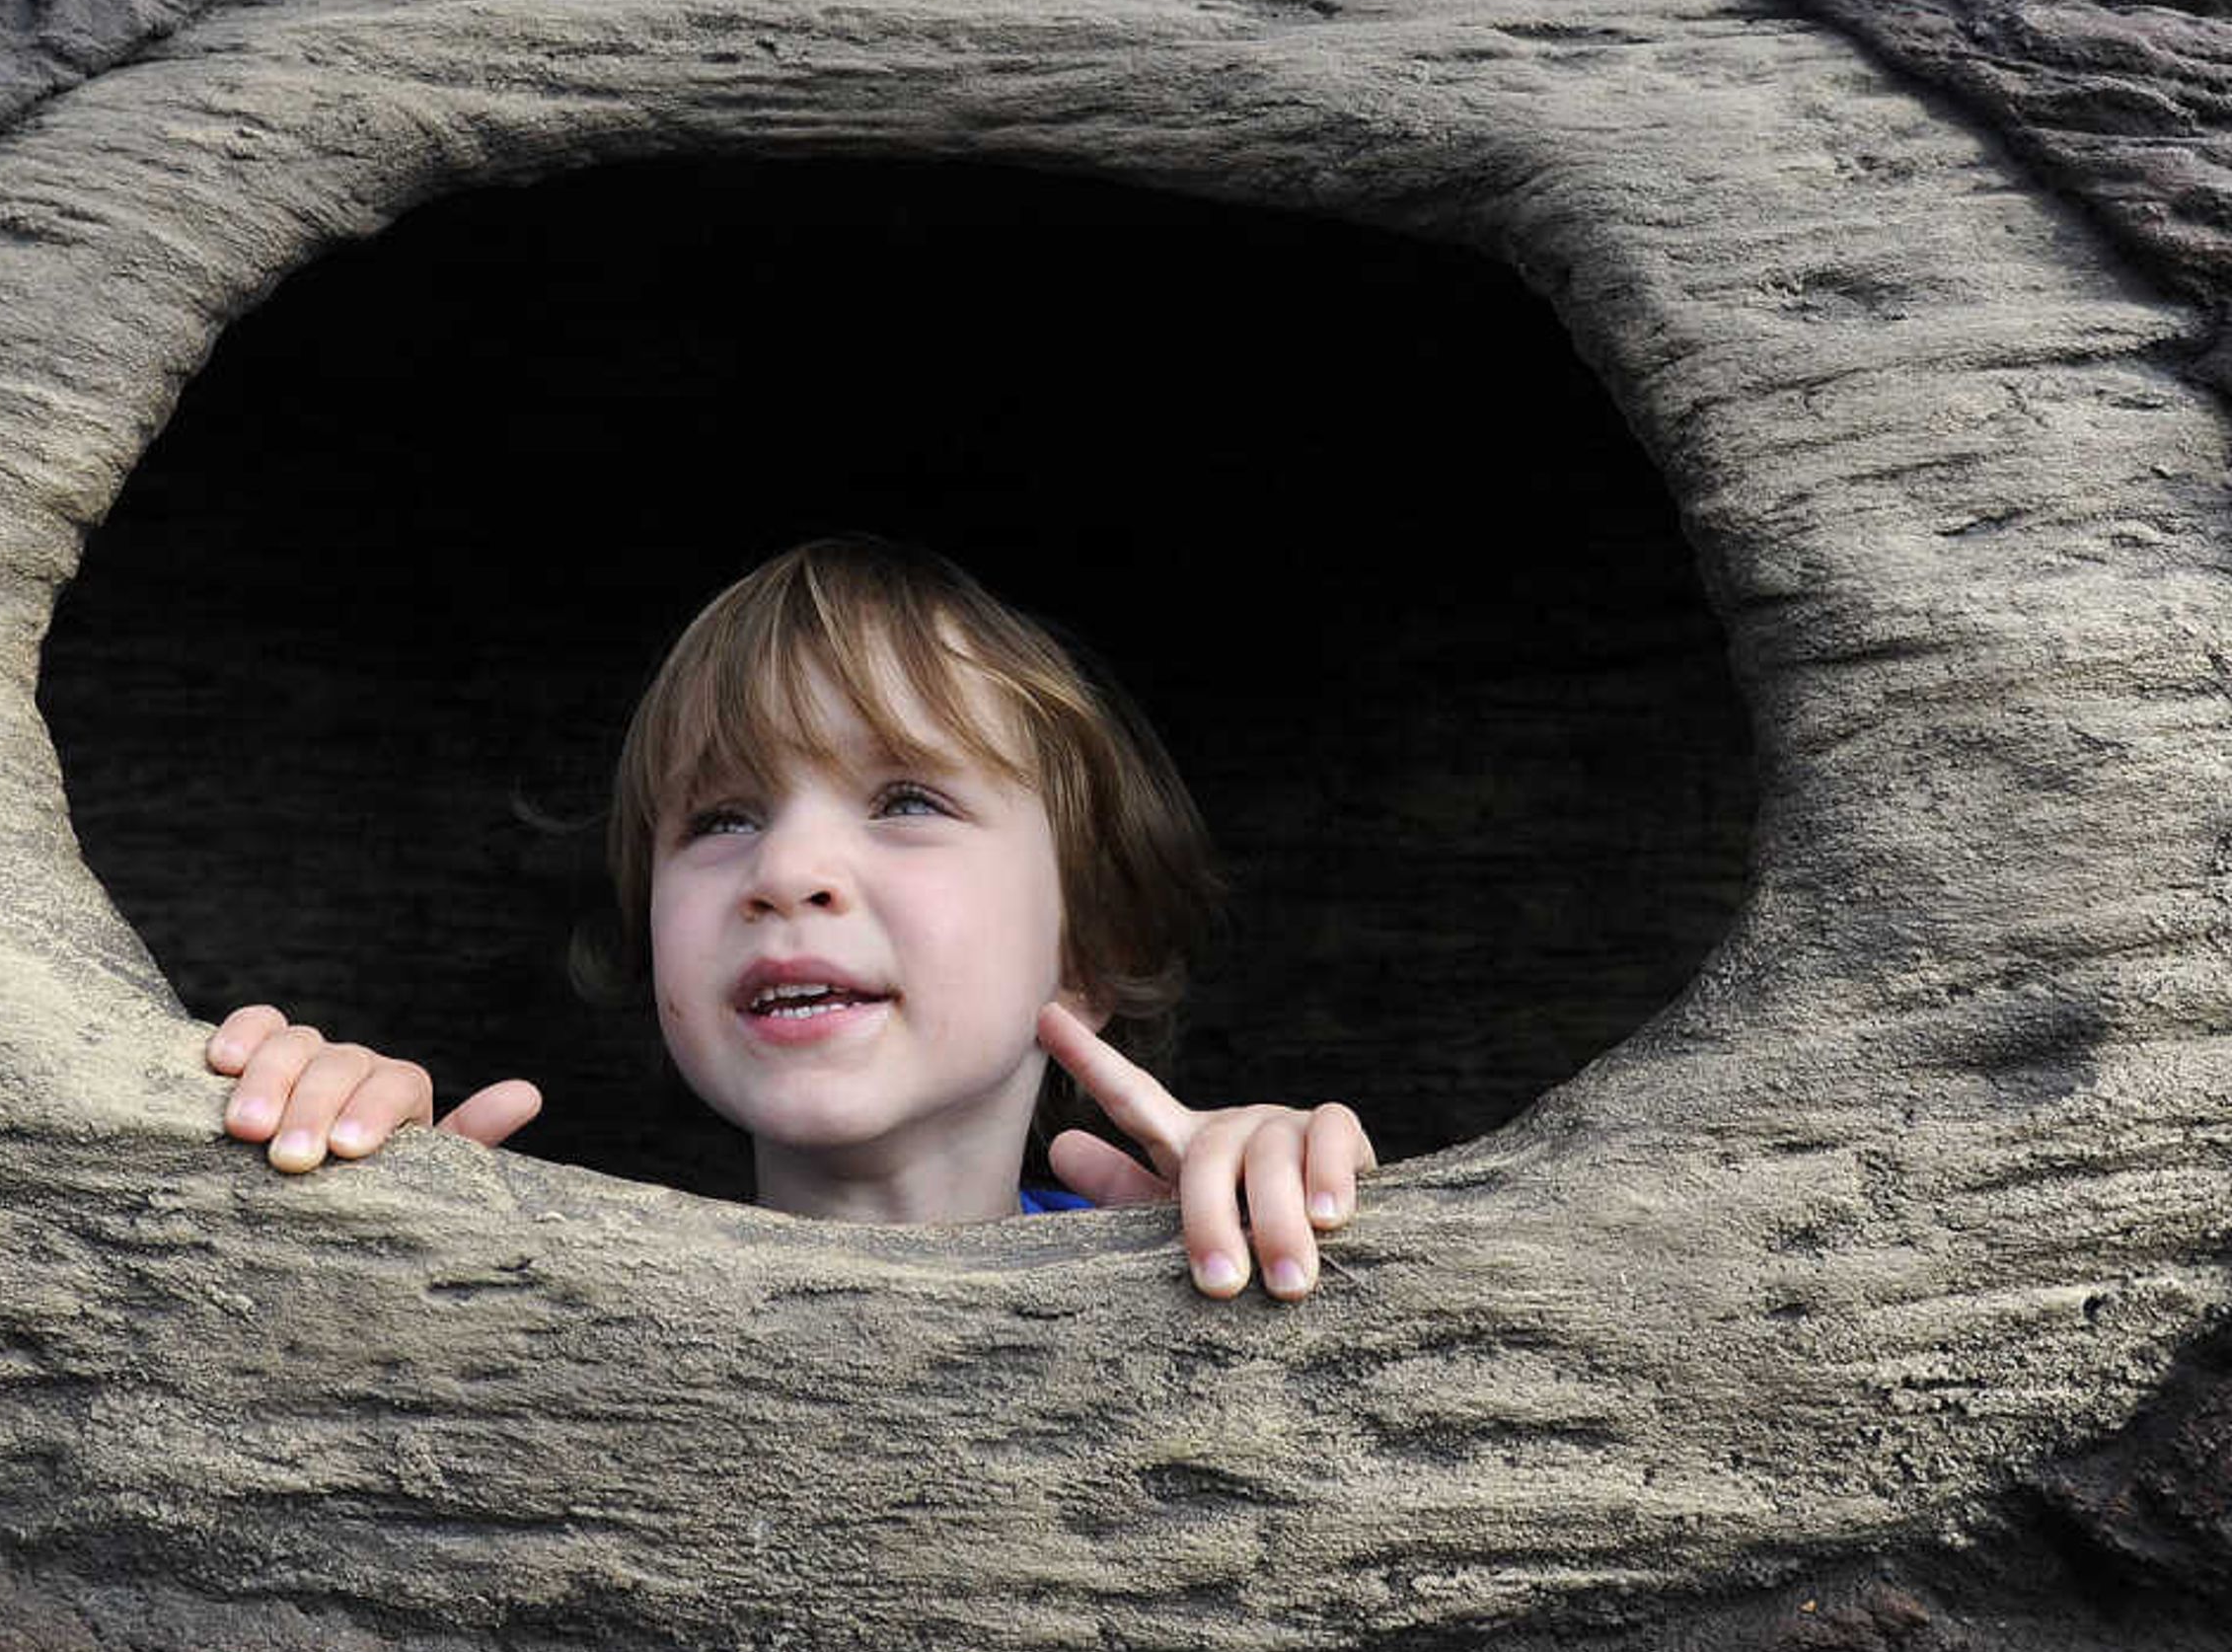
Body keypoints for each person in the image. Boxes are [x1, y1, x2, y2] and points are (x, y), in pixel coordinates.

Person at [204, 537, 1376, 1300]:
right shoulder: (570, 1287)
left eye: (907, 799)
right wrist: (343, 1197)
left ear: (1093, 949)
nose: (787, 870)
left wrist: (1280, 1209)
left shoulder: (1177, 1242)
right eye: (718, 820)